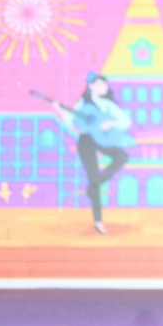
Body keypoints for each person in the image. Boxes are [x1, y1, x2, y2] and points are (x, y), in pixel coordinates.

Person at [53, 72, 132, 235]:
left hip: (102, 139)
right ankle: (98, 221)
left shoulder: (107, 104)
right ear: (91, 87)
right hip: (87, 141)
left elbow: (126, 121)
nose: (104, 87)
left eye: (105, 84)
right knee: (92, 175)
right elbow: (72, 121)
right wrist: (60, 111)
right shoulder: (83, 104)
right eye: (100, 84)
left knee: (121, 157)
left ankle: (95, 183)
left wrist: (111, 123)